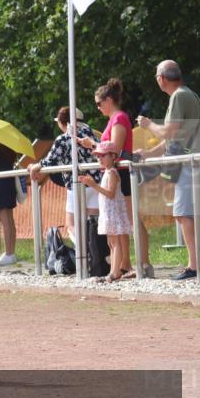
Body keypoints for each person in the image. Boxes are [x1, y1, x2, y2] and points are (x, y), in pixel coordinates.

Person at [136, 60, 200, 281]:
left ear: (161, 78)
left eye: (156, 75)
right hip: (191, 161)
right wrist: (147, 153)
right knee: (188, 214)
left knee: (183, 214)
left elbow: (167, 132)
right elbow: (173, 139)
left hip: (190, 164)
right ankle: (195, 264)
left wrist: (147, 125)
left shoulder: (178, 96)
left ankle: (194, 266)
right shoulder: (186, 94)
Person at [77, 79, 137, 277]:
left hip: (120, 175)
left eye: (99, 103)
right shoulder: (115, 119)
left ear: (109, 100)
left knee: (130, 221)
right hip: (115, 175)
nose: (98, 107)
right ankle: (124, 266)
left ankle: (138, 264)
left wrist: (93, 145)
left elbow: (114, 150)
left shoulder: (119, 118)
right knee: (122, 225)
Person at [28, 107, 101, 246]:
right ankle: (95, 257)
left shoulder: (63, 138)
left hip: (75, 185)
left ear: (62, 122)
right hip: (95, 184)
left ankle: (83, 252)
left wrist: (35, 166)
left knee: (72, 226)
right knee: (93, 225)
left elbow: (49, 161)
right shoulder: (91, 135)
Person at [78, 141, 131, 283]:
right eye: (98, 156)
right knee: (111, 243)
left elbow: (111, 193)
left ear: (113, 156)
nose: (100, 159)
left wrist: (93, 185)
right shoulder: (107, 172)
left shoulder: (112, 173)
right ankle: (113, 270)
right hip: (109, 212)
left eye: (103, 156)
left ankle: (115, 272)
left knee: (115, 243)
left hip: (113, 212)